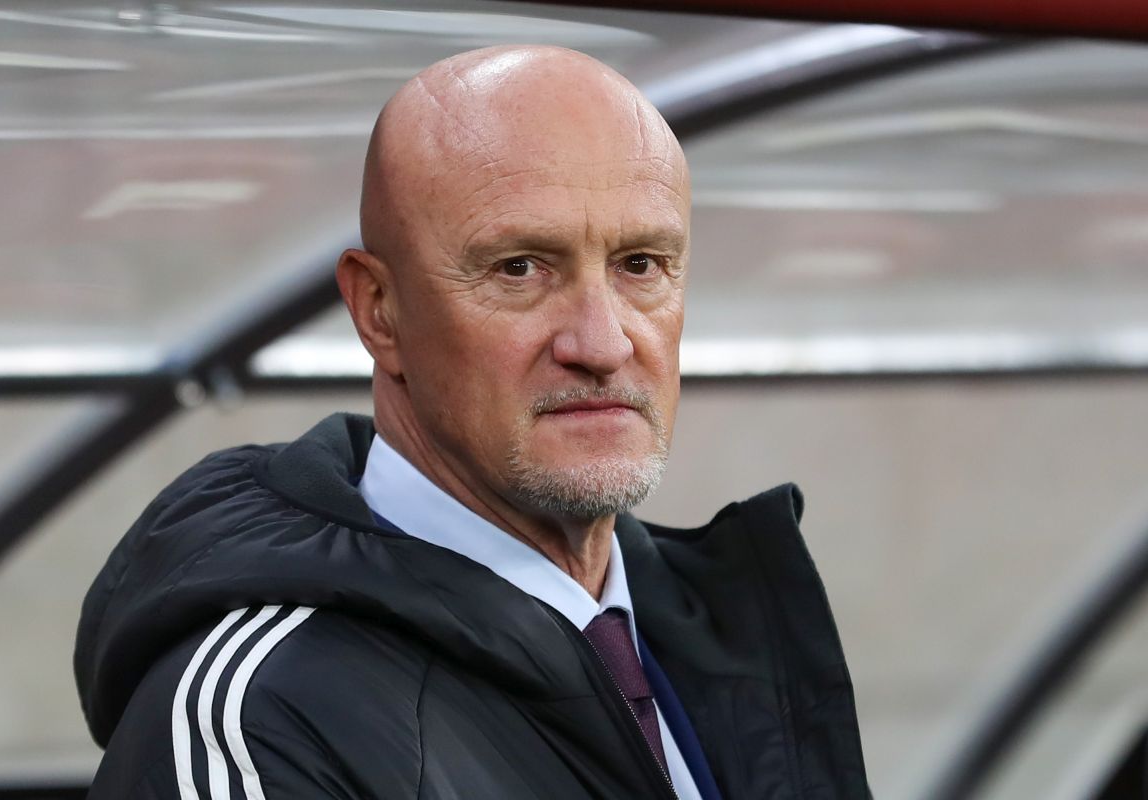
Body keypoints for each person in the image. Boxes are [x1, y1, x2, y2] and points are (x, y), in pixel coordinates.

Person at [74, 45, 868, 799]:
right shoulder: (261, 723)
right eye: (519, 268)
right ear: (379, 311)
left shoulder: (719, 629)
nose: (602, 344)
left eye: (641, 265)